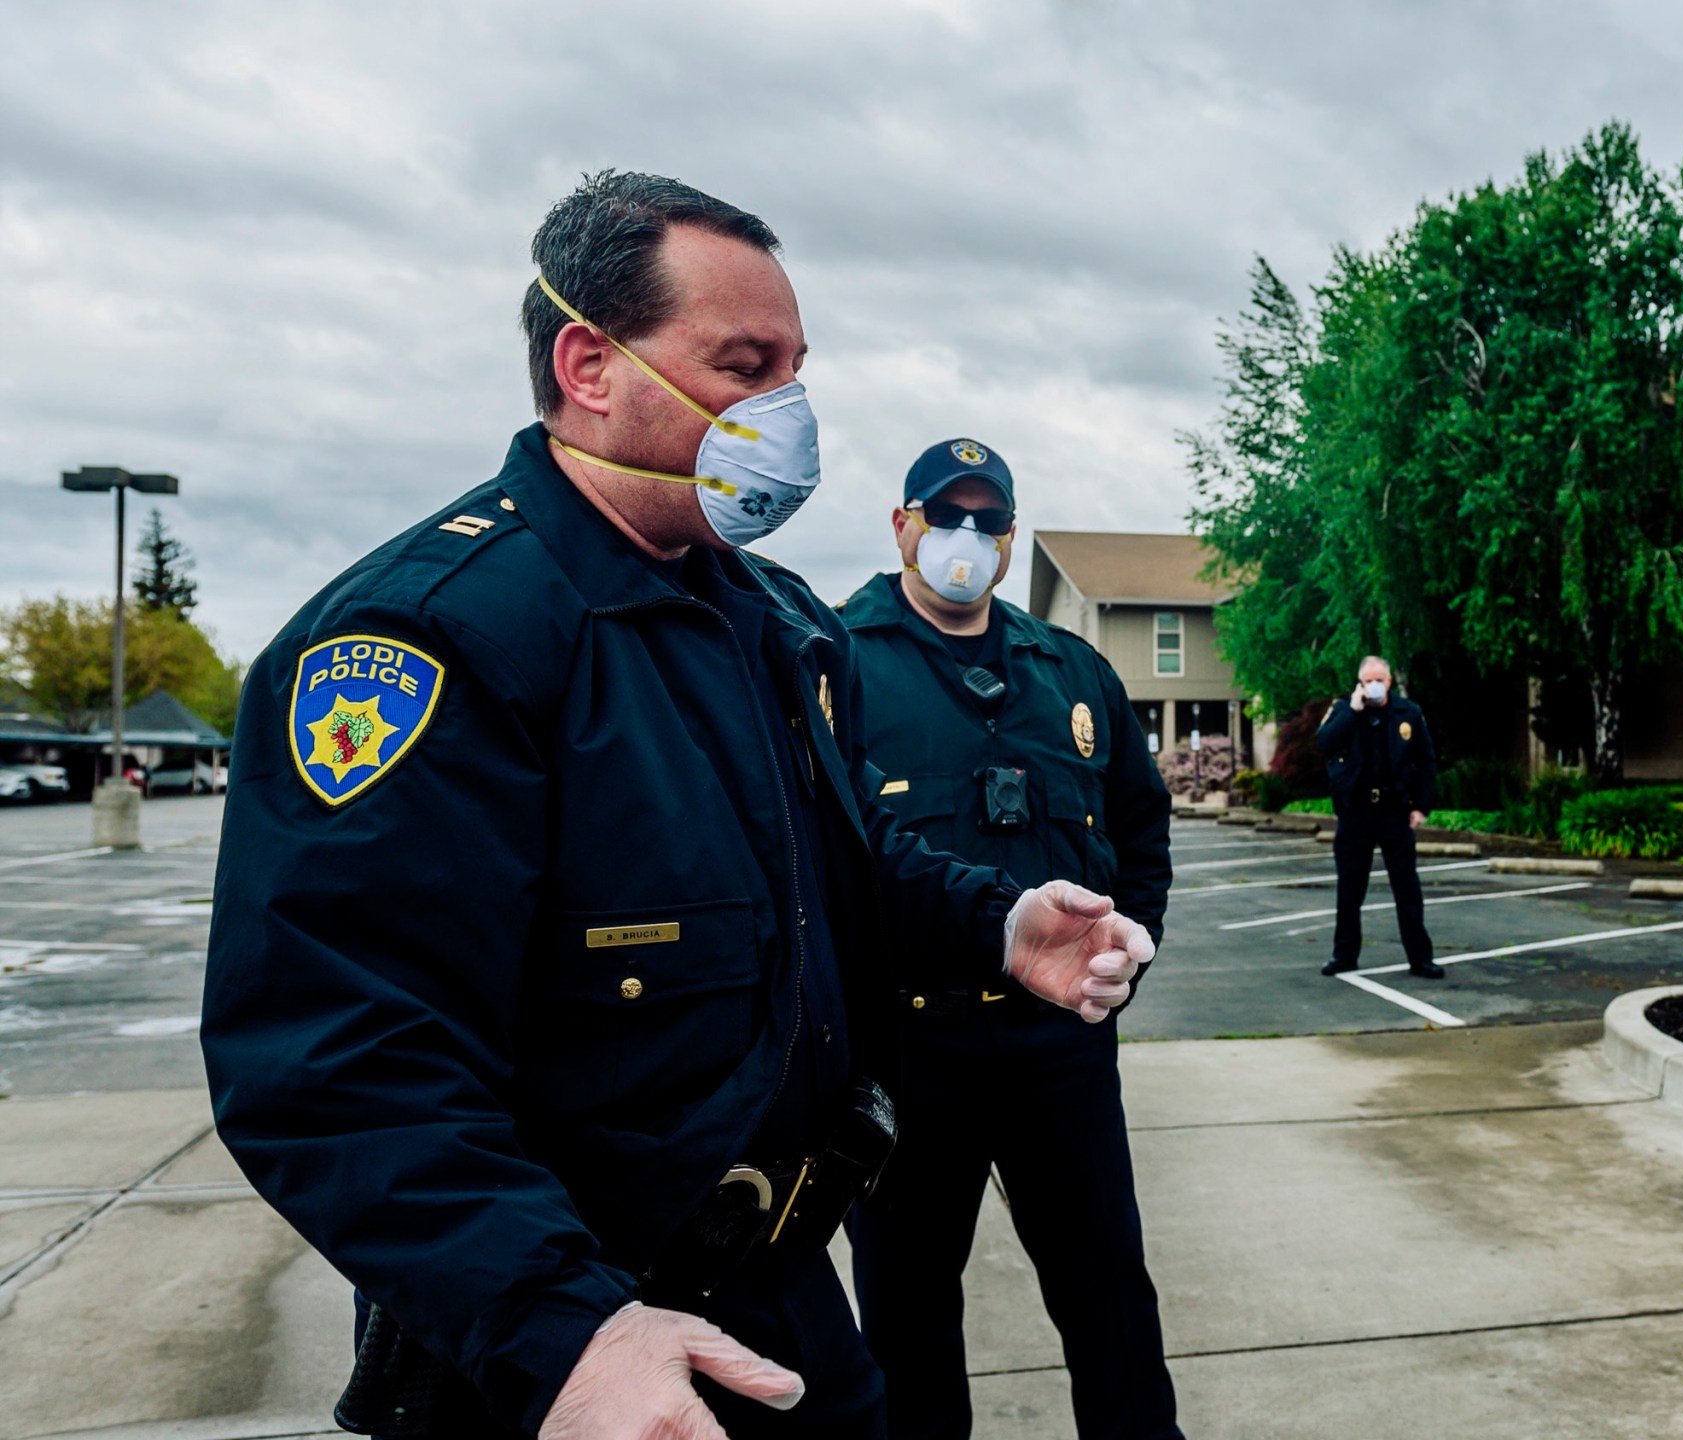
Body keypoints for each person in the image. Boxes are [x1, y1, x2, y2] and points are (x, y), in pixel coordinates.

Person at [200, 171, 1154, 1440]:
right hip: (581, 1359)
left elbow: (835, 873)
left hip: (775, 1296)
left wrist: (997, 920)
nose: (786, 412)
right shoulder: (431, 639)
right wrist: (564, 1332)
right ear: (590, 364)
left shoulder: (774, 624)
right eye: (744, 366)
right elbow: (334, 1059)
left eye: (796, 370)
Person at [836, 438, 1183, 1439]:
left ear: (1010, 538)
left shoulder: (1069, 672)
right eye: (947, 515)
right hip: (909, 1053)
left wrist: (1133, 950)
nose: (967, 538)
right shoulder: (837, 659)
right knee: (905, 1318)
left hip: (1058, 1051)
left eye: (988, 522)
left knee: (1110, 1296)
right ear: (902, 525)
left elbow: (1140, 824)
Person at [1314, 657, 1443, 980]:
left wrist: (1421, 807)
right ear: (1359, 683)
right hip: (1356, 811)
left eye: (1379, 680)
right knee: (1350, 890)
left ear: (1389, 682)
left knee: (1407, 888)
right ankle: (1343, 955)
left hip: (1395, 811)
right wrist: (1353, 712)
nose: (1374, 685)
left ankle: (1420, 958)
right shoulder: (1344, 710)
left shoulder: (1407, 713)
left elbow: (1426, 761)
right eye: (1367, 680)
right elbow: (1324, 743)